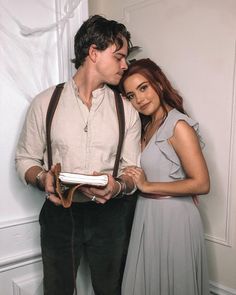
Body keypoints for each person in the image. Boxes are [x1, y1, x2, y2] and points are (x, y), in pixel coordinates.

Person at [15, 15, 141, 295]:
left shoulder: (126, 111)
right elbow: (25, 160)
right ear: (93, 53)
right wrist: (43, 179)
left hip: (110, 217)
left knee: (110, 290)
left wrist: (117, 185)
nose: (125, 64)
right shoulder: (45, 102)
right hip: (59, 217)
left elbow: (133, 171)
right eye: (119, 56)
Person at [119, 58, 210, 295]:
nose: (139, 99)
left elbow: (201, 183)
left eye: (143, 88)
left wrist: (147, 186)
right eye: (131, 95)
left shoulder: (178, 125)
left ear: (158, 84)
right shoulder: (148, 126)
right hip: (147, 214)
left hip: (174, 219)